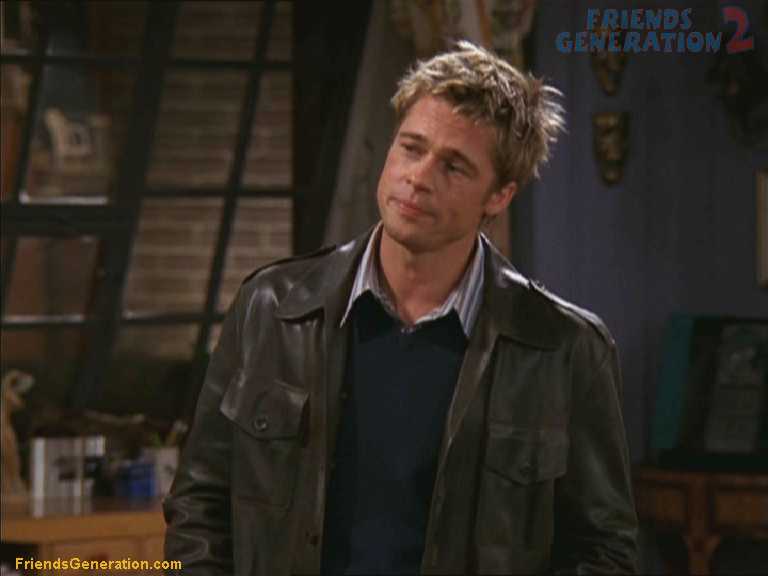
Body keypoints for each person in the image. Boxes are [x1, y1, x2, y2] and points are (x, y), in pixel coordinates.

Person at [164, 40, 638, 575]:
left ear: (499, 196)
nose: (419, 177)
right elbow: (199, 505)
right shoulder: (272, 309)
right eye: (412, 148)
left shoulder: (564, 349)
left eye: (454, 166)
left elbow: (605, 551)